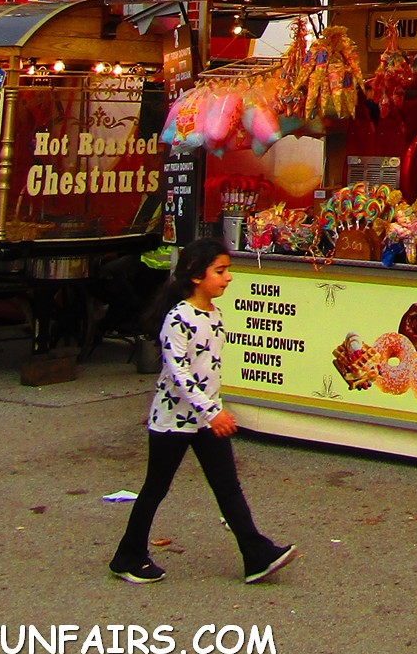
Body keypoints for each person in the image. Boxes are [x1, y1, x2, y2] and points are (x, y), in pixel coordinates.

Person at [109, 237, 294, 586]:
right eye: (220, 271)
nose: (227, 278)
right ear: (196, 275)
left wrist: (214, 410)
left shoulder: (214, 314)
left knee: (227, 487)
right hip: (173, 421)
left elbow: (208, 370)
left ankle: (255, 553)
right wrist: (213, 413)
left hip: (205, 418)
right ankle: (128, 555)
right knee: (155, 488)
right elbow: (179, 373)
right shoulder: (179, 318)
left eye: (228, 271)